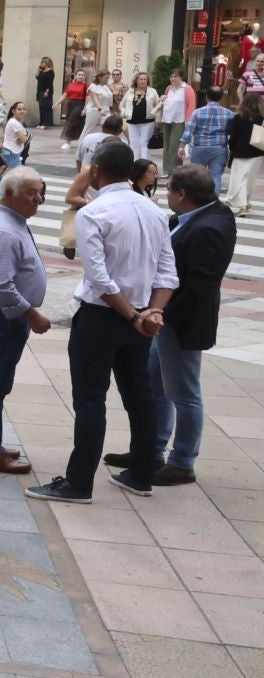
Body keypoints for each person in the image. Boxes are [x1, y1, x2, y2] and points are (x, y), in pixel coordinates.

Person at [27, 141, 177, 504]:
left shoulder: (95, 212)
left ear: (95, 170)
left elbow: (99, 278)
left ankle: (79, 483)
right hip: (139, 314)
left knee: (91, 399)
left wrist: (136, 315)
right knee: (138, 395)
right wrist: (151, 313)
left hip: (103, 315)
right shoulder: (153, 210)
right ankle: (141, 474)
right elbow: (168, 272)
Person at [104, 165, 236, 487]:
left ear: (182, 195)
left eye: (169, 191)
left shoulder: (210, 227)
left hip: (182, 323)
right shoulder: (192, 217)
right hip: (167, 318)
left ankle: (182, 462)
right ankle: (152, 450)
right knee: (155, 385)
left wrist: (162, 316)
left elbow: (201, 286)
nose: (165, 196)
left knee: (183, 392)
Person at [0, 167, 50, 474]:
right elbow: (1, 285)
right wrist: (30, 313)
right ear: (10, 194)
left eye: (40, 192)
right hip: (3, 316)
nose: (38, 199)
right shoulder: (3, 230)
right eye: (31, 193)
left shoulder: (11, 220)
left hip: (4, 316)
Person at [182, 84, 235, 195]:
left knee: (197, 175)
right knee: (216, 176)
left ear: (207, 96)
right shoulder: (229, 114)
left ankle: (197, 202)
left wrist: (182, 145)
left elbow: (189, 130)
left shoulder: (197, 112)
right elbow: (232, 133)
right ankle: (213, 203)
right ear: (220, 97)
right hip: (219, 148)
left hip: (199, 147)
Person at [224, 91, 264, 214]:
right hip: (257, 151)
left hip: (240, 151)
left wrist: (231, 148)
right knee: (250, 178)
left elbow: (233, 136)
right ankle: (245, 201)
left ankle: (243, 205)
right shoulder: (261, 118)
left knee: (239, 178)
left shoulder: (238, 117)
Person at [160, 69, 196, 178]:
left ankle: (175, 170)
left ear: (181, 77)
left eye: (175, 76)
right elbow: (165, 103)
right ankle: (167, 170)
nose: (173, 79)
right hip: (167, 119)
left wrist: (188, 122)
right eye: (171, 77)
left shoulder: (187, 89)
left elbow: (191, 105)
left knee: (175, 146)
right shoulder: (169, 89)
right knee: (166, 145)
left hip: (179, 120)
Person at [121, 72, 160, 161]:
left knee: (144, 142)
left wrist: (157, 119)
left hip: (147, 121)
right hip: (132, 121)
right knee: (134, 143)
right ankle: (135, 162)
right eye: (141, 79)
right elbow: (122, 105)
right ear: (136, 81)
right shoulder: (130, 91)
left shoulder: (152, 91)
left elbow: (158, 106)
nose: (143, 81)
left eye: (145, 79)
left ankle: (145, 163)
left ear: (147, 81)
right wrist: (125, 113)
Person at [0, 102, 31, 169]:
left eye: (24, 109)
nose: (22, 111)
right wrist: (25, 137)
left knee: (12, 173)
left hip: (11, 151)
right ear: (13, 111)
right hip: (12, 152)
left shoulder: (15, 122)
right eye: (19, 109)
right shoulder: (14, 123)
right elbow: (24, 139)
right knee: (16, 173)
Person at [36, 57, 57, 129]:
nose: (41, 64)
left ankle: (46, 123)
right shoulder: (42, 71)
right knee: (41, 107)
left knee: (46, 107)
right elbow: (37, 77)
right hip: (39, 91)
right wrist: (38, 71)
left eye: (43, 62)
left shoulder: (50, 72)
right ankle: (41, 122)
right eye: (41, 62)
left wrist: (47, 91)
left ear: (47, 63)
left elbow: (49, 83)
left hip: (46, 91)